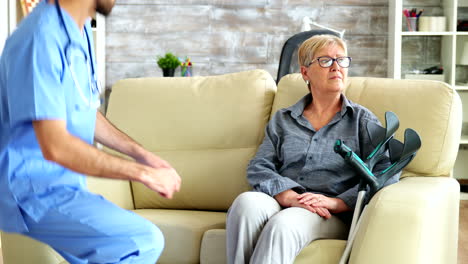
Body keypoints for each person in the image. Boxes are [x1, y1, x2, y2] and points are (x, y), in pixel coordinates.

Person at [0, 0, 181, 263]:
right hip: (29, 190)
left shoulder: (80, 32)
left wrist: (141, 155)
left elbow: (84, 111)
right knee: (140, 241)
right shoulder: (40, 38)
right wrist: (142, 173)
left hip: (66, 185)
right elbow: (56, 146)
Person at [226, 34, 399, 264]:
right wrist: (288, 196)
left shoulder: (362, 121)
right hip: (284, 199)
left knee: (283, 224)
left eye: (341, 60)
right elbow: (260, 165)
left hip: (329, 213)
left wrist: (338, 202)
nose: (336, 67)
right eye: (326, 60)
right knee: (245, 204)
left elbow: (387, 171)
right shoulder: (283, 120)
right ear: (305, 72)